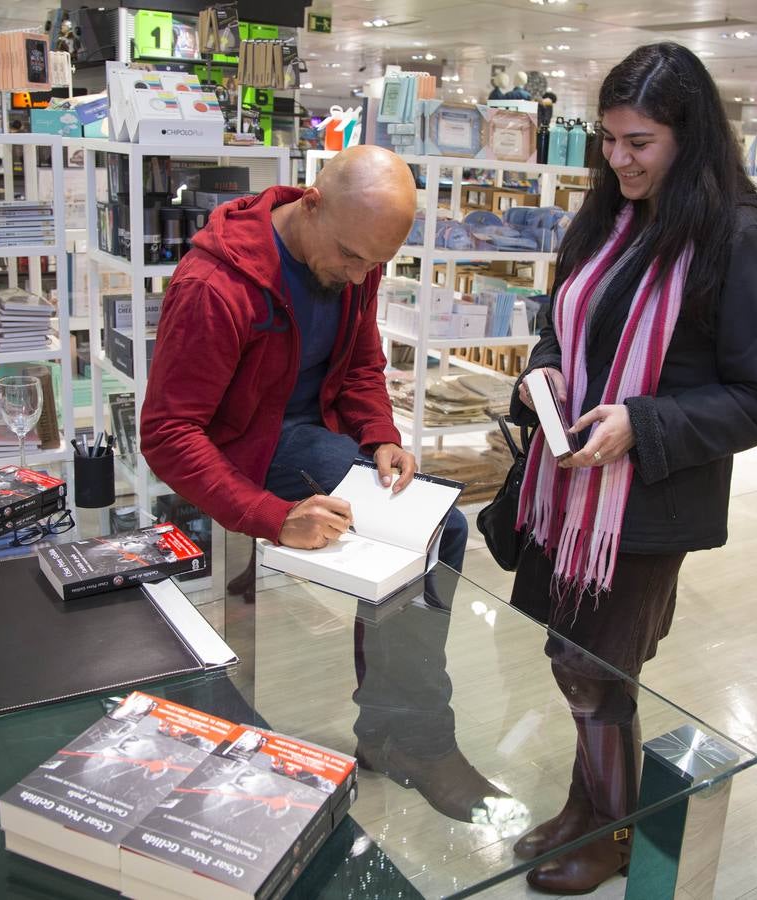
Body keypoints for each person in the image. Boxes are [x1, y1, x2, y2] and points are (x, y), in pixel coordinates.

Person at [507, 42, 757, 894]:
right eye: (610, 139)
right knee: (577, 657)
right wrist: (544, 366)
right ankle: (589, 808)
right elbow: (565, 321)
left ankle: (614, 831)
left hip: (645, 501)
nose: (620, 160)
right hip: (571, 486)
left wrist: (643, 421)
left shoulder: (738, 238)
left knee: (598, 668)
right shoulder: (609, 214)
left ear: (688, 136)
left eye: (641, 143)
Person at [140, 144, 498, 822]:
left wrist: (381, 436)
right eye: (351, 256)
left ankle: (399, 731)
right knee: (434, 532)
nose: (360, 274)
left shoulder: (351, 251)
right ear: (310, 203)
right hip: (249, 448)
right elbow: (168, 432)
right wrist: (273, 516)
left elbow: (362, 363)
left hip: (317, 436)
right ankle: (412, 737)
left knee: (433, 526)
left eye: (374, 262)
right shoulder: (215, 285)